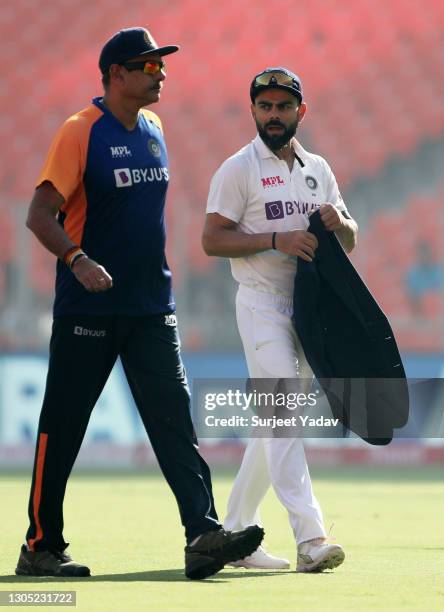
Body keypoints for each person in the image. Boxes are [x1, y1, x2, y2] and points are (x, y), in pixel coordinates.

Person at [15, 27, 263, 581]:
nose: (161, 74)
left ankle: (202, 534)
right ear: (116, 75)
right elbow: (38, 213)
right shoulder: (80, 132)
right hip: (88, 309)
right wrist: (77, 258)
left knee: (174, 419)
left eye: (161, 65)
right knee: (64, 424)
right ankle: (40, 546)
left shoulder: (154, 128)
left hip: (152, 305)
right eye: (149, 66)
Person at [203, 67, 358, 572]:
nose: (274, 115)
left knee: (274, 424)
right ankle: (311, 537)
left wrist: (342, 223)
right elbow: (212, 239)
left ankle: (232, 534)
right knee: (284, 412)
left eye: (283, 106)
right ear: (252, 111)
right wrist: (275, 239)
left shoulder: (318, 168)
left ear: (300, 112)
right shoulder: (237, 169)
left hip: (309, 311)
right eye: (265, 106)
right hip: (261, 302)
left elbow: (350, 237)